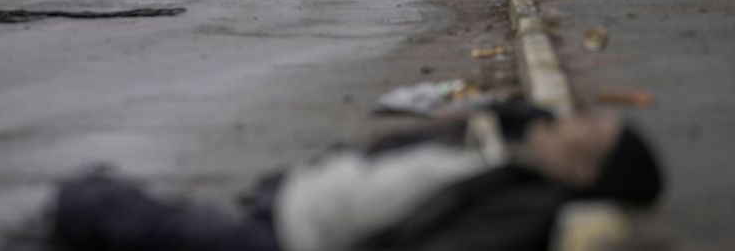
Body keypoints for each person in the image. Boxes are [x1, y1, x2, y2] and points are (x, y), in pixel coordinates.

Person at [48, 101, 662, 251]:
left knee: (105, 207)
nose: (561, 123)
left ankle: (61, 203)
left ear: (585, 170)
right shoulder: (514, 166)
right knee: (149, 218)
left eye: (580, 130)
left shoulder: (525, 209)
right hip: (291, 203)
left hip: (290, 238)